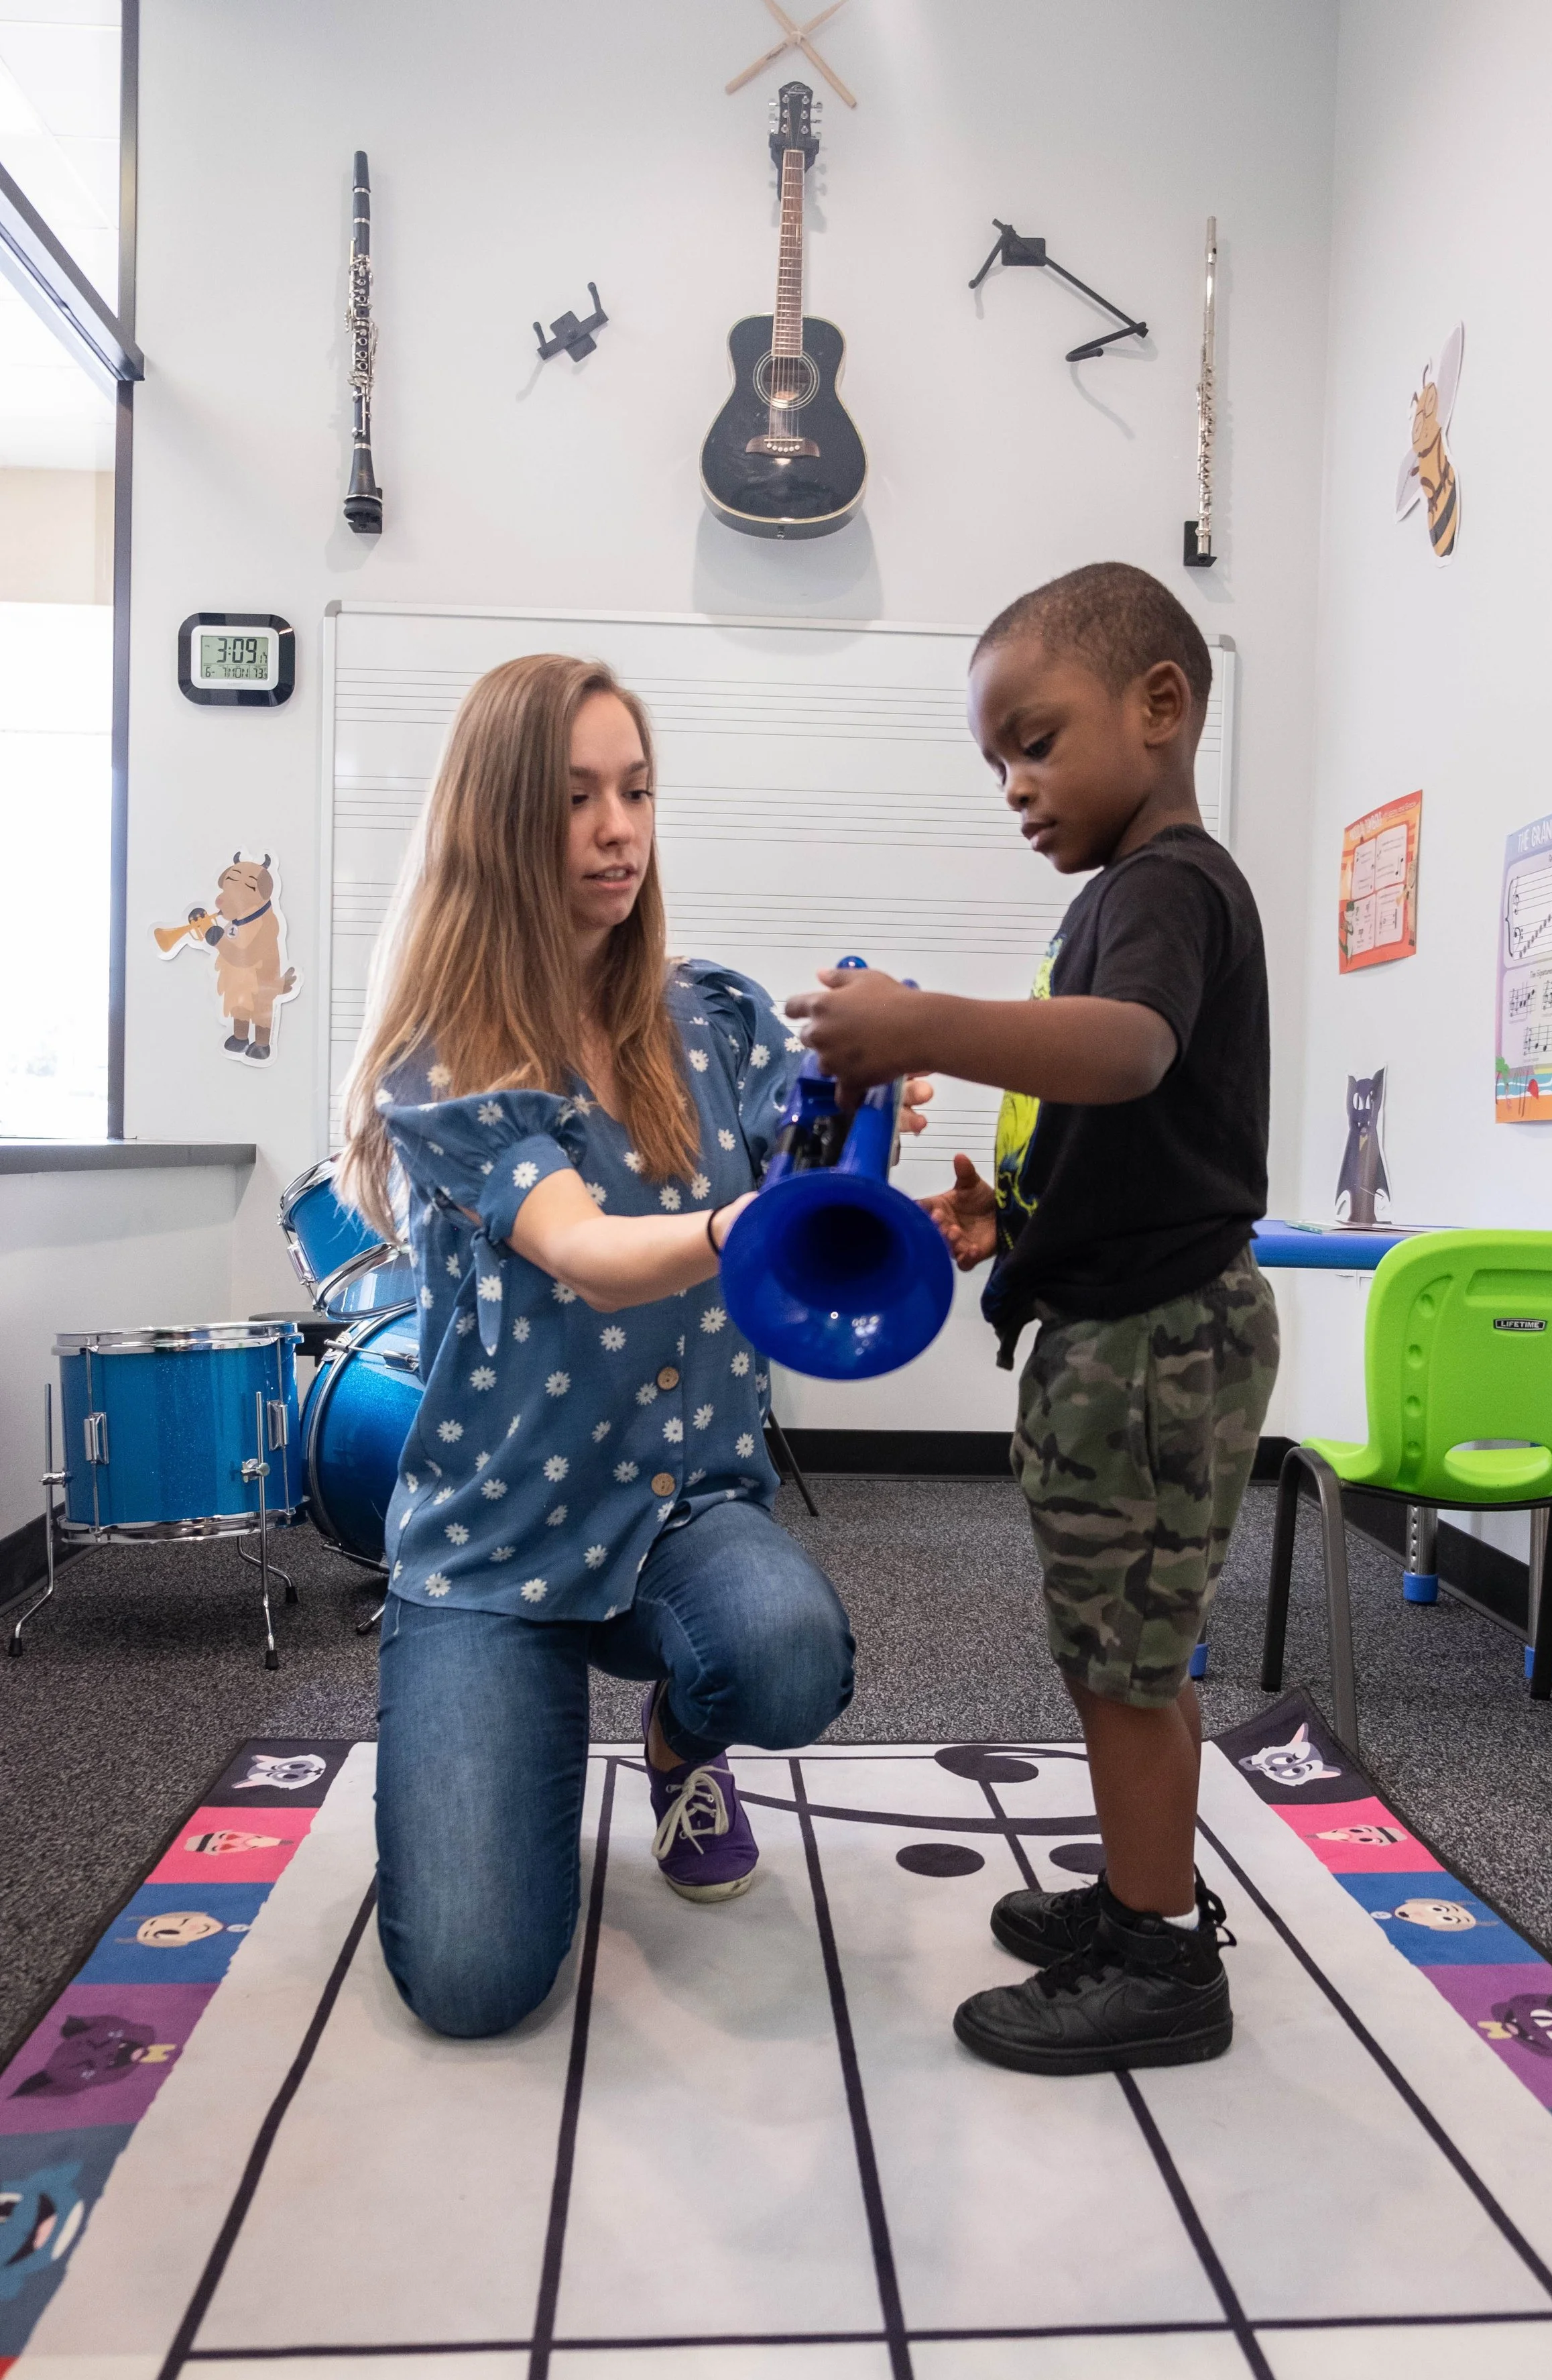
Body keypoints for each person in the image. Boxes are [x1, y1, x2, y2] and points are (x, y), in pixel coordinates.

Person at [787, 561, 1278, 2075]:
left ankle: (1156, 1958)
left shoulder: (1165, 887)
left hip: (1151, 1348)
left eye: (1034, 738)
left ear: (1159, 705)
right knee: (1106, 1645)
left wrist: (920, 1022)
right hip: (1115, 1332)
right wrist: (1014, 1221)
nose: (1012, 783)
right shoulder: (1124, 898)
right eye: (994, 757)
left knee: (1127, 1663)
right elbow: (1141, 1129)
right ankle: (1142, 1892)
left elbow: (1127, 1058)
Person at [337, 653, 857, 2040]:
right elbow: (583, 1249)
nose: (618, 828)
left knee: (793, 1657)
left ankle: (682, 1742)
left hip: (678, 1507)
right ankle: (502, 1714)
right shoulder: (447, 1052)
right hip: (494, 1545)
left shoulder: (720, 1018)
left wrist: (874, 1154)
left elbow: (806, 1205)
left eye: (633, 791)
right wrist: (747, 1227)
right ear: (498, 822)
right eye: (574, 801)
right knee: (472, 1983)